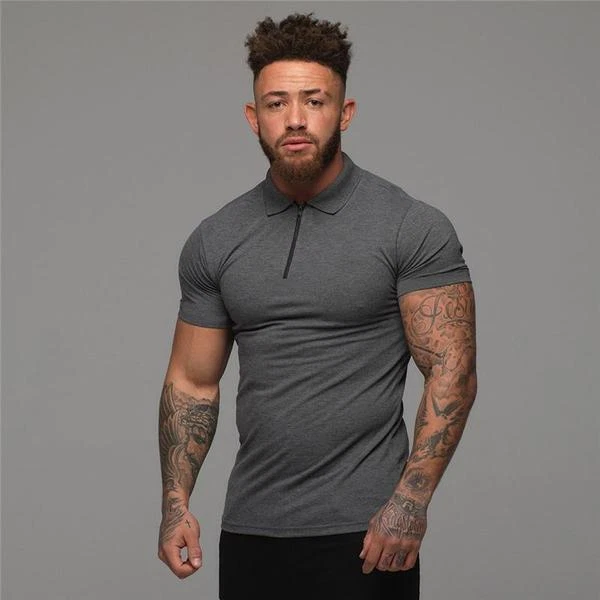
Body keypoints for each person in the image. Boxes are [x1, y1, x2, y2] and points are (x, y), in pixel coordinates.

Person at [157, 12, 477, 600]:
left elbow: (450, 371)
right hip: (250, 530)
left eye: (314, 100)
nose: (296, 119)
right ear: (254, 117)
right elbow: (191, 383)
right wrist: (175, 505)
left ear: (345, 112)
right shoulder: (216, 238)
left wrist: (410, 503)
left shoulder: (410, 226)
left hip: (367, 534)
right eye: (277, 103)